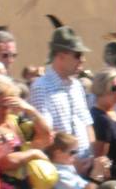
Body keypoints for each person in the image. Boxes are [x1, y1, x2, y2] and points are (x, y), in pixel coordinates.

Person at [30, 27, 95, 163]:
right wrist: (72, 162)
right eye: (77, 55)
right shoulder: (41, 87)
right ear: (60, 56)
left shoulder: (77, 85)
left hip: (86, 161)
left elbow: (87, 123)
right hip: (63, 166)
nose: (82, 60)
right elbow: (46, 133)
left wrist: (93, 156)